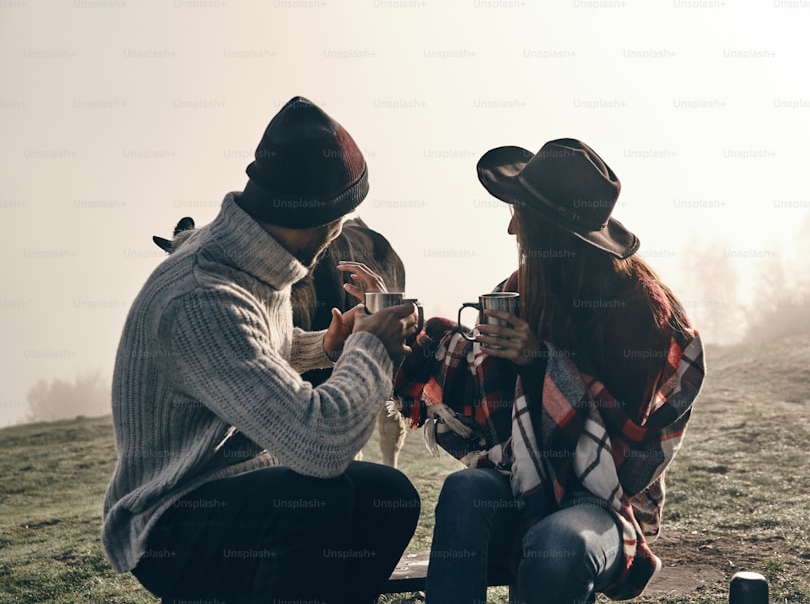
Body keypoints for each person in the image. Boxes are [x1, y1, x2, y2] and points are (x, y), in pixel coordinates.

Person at [102, 96, 421, 603]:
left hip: (236, 490)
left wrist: (326, 345)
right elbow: (319, 445)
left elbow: (255, 348)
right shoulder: (202, 295)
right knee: (317, 495)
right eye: (341, 216)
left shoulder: (249, 261)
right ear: (327, 219)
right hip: (169, 519)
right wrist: (370, 347)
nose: (341, 230)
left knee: (391, 496)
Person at [394, 139, 705, 603]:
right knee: (464, 490)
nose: (510, 228)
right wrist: (406, 334)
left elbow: (621, 450)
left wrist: (540, 362)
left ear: (552, 232)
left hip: (605, 500)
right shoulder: (526, 286)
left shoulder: (640, 312)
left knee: (556, 547)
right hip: (522, 474)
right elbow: (481, 370)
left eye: (519, 212)